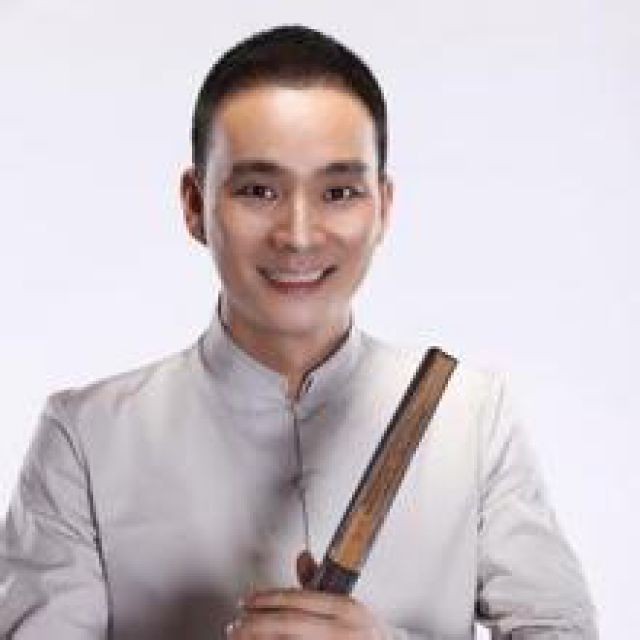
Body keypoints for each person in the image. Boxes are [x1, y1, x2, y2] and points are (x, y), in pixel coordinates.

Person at [0, 25, 597, 640]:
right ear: (195, 204)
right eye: (259, 191)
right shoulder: (84, 438)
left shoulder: (471, 416)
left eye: (339, 192)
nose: (300, 235)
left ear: (383, 207)